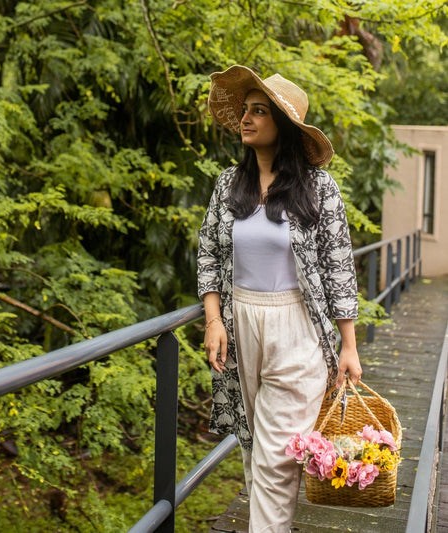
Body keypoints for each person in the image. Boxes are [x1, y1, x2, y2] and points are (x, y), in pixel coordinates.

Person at [197, 65, 362, 533]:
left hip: (298, 329)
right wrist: (214, 319)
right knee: (253, 447)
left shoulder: (319, 189)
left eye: (258, 111)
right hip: (239, 325)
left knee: (276, 457)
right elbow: (208, 252)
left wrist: (348, 346)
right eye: (245, 111)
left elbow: (338, 269)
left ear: (283, 126)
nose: (245, 119)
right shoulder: (230, 185)